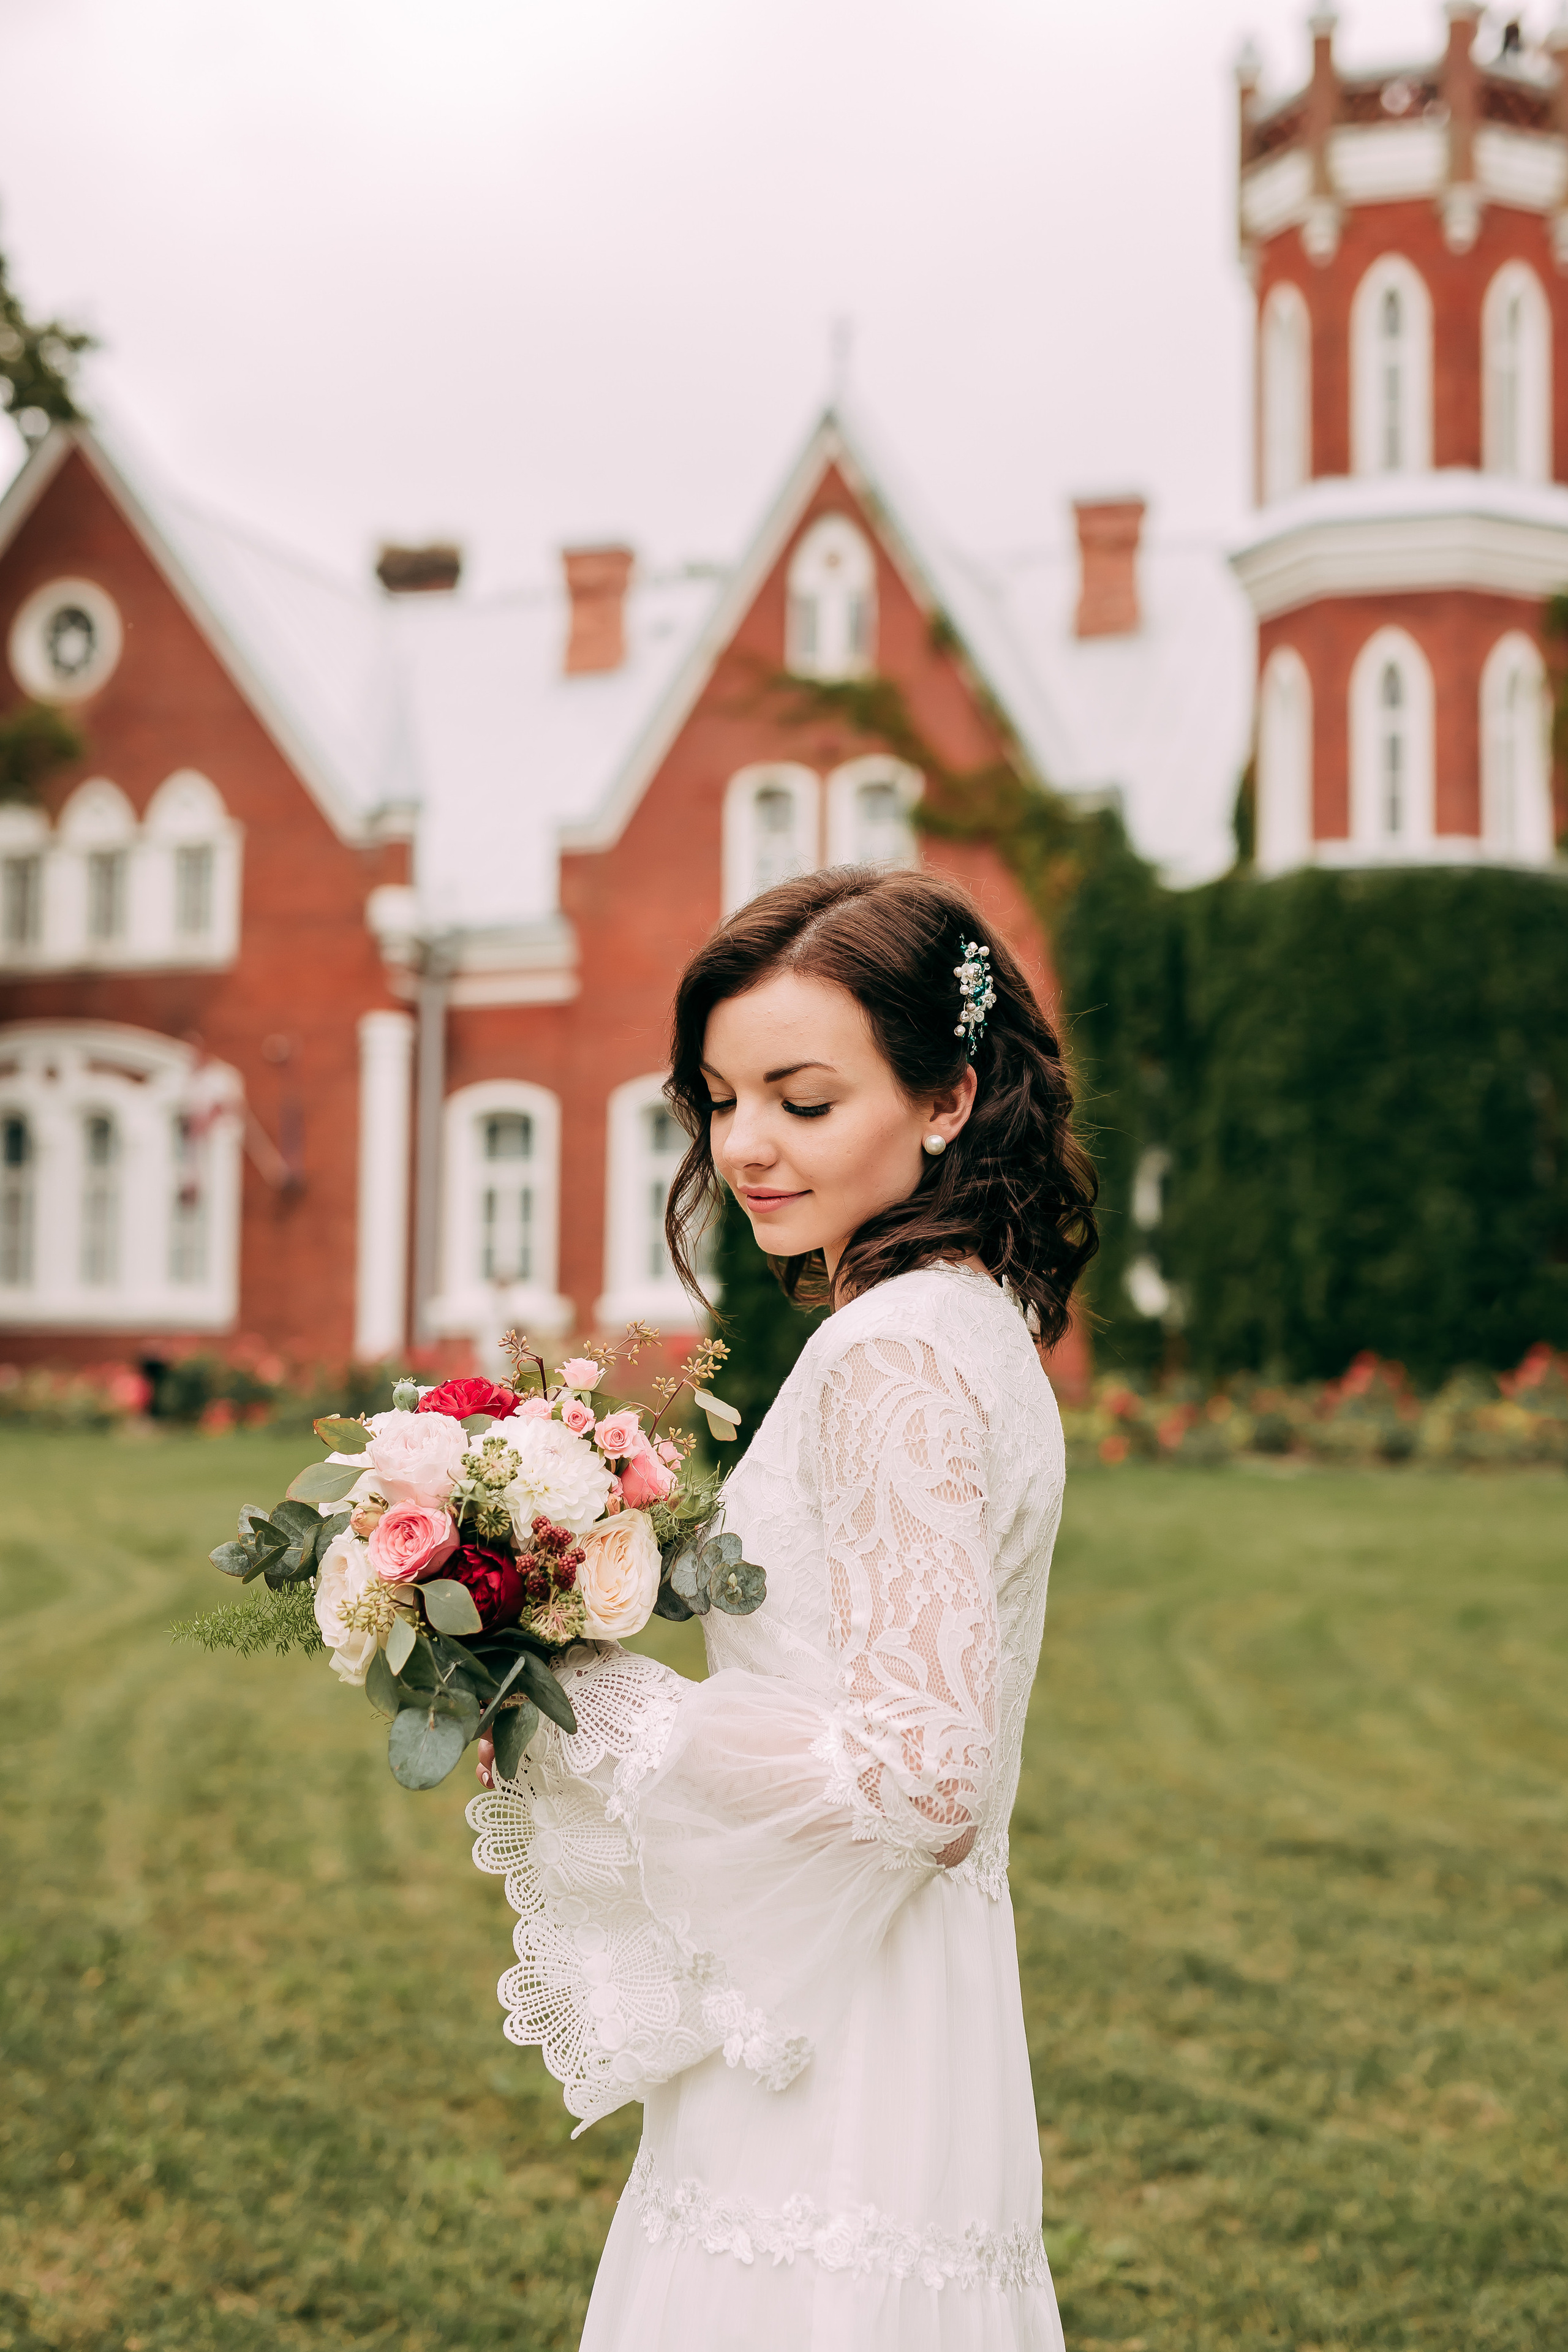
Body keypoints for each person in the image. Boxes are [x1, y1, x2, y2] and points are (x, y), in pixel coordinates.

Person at [469, 864, 1097, 2350]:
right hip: (884, 1977)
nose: (744, 1146)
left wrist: (582, 1705)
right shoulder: (962, 1320)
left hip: (852, 2033)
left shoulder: (893, 1357)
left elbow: (925, 1771)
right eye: (716, 1099)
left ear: (945, 1098)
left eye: (801, 1103)